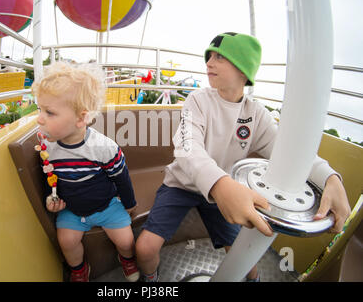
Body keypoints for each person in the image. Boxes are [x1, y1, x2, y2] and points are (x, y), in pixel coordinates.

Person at [136, 32, 351, 282]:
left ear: (243, 70)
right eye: (208, 57)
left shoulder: (257, 114)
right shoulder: (197, 101)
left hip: (224, 192)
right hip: (181, 186)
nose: (208, 63)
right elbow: (187, 147)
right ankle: (151, 281)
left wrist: (330, 178)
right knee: (145, 249)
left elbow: (288, 152)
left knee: (246, 262)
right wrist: (219, 184)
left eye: (219, 57)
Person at [31, 62, 139, 282]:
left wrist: (129, 203)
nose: (39, 119)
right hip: (72, 210)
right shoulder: (47, 147)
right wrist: (52, 199)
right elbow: (49, 179)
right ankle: (79, 269)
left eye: (49, 112)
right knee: (67, 242)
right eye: (39, 109)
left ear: (81, 118)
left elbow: (121, 177)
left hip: (107, 205)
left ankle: (126, 259)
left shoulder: (103, 147)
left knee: (126, 240)